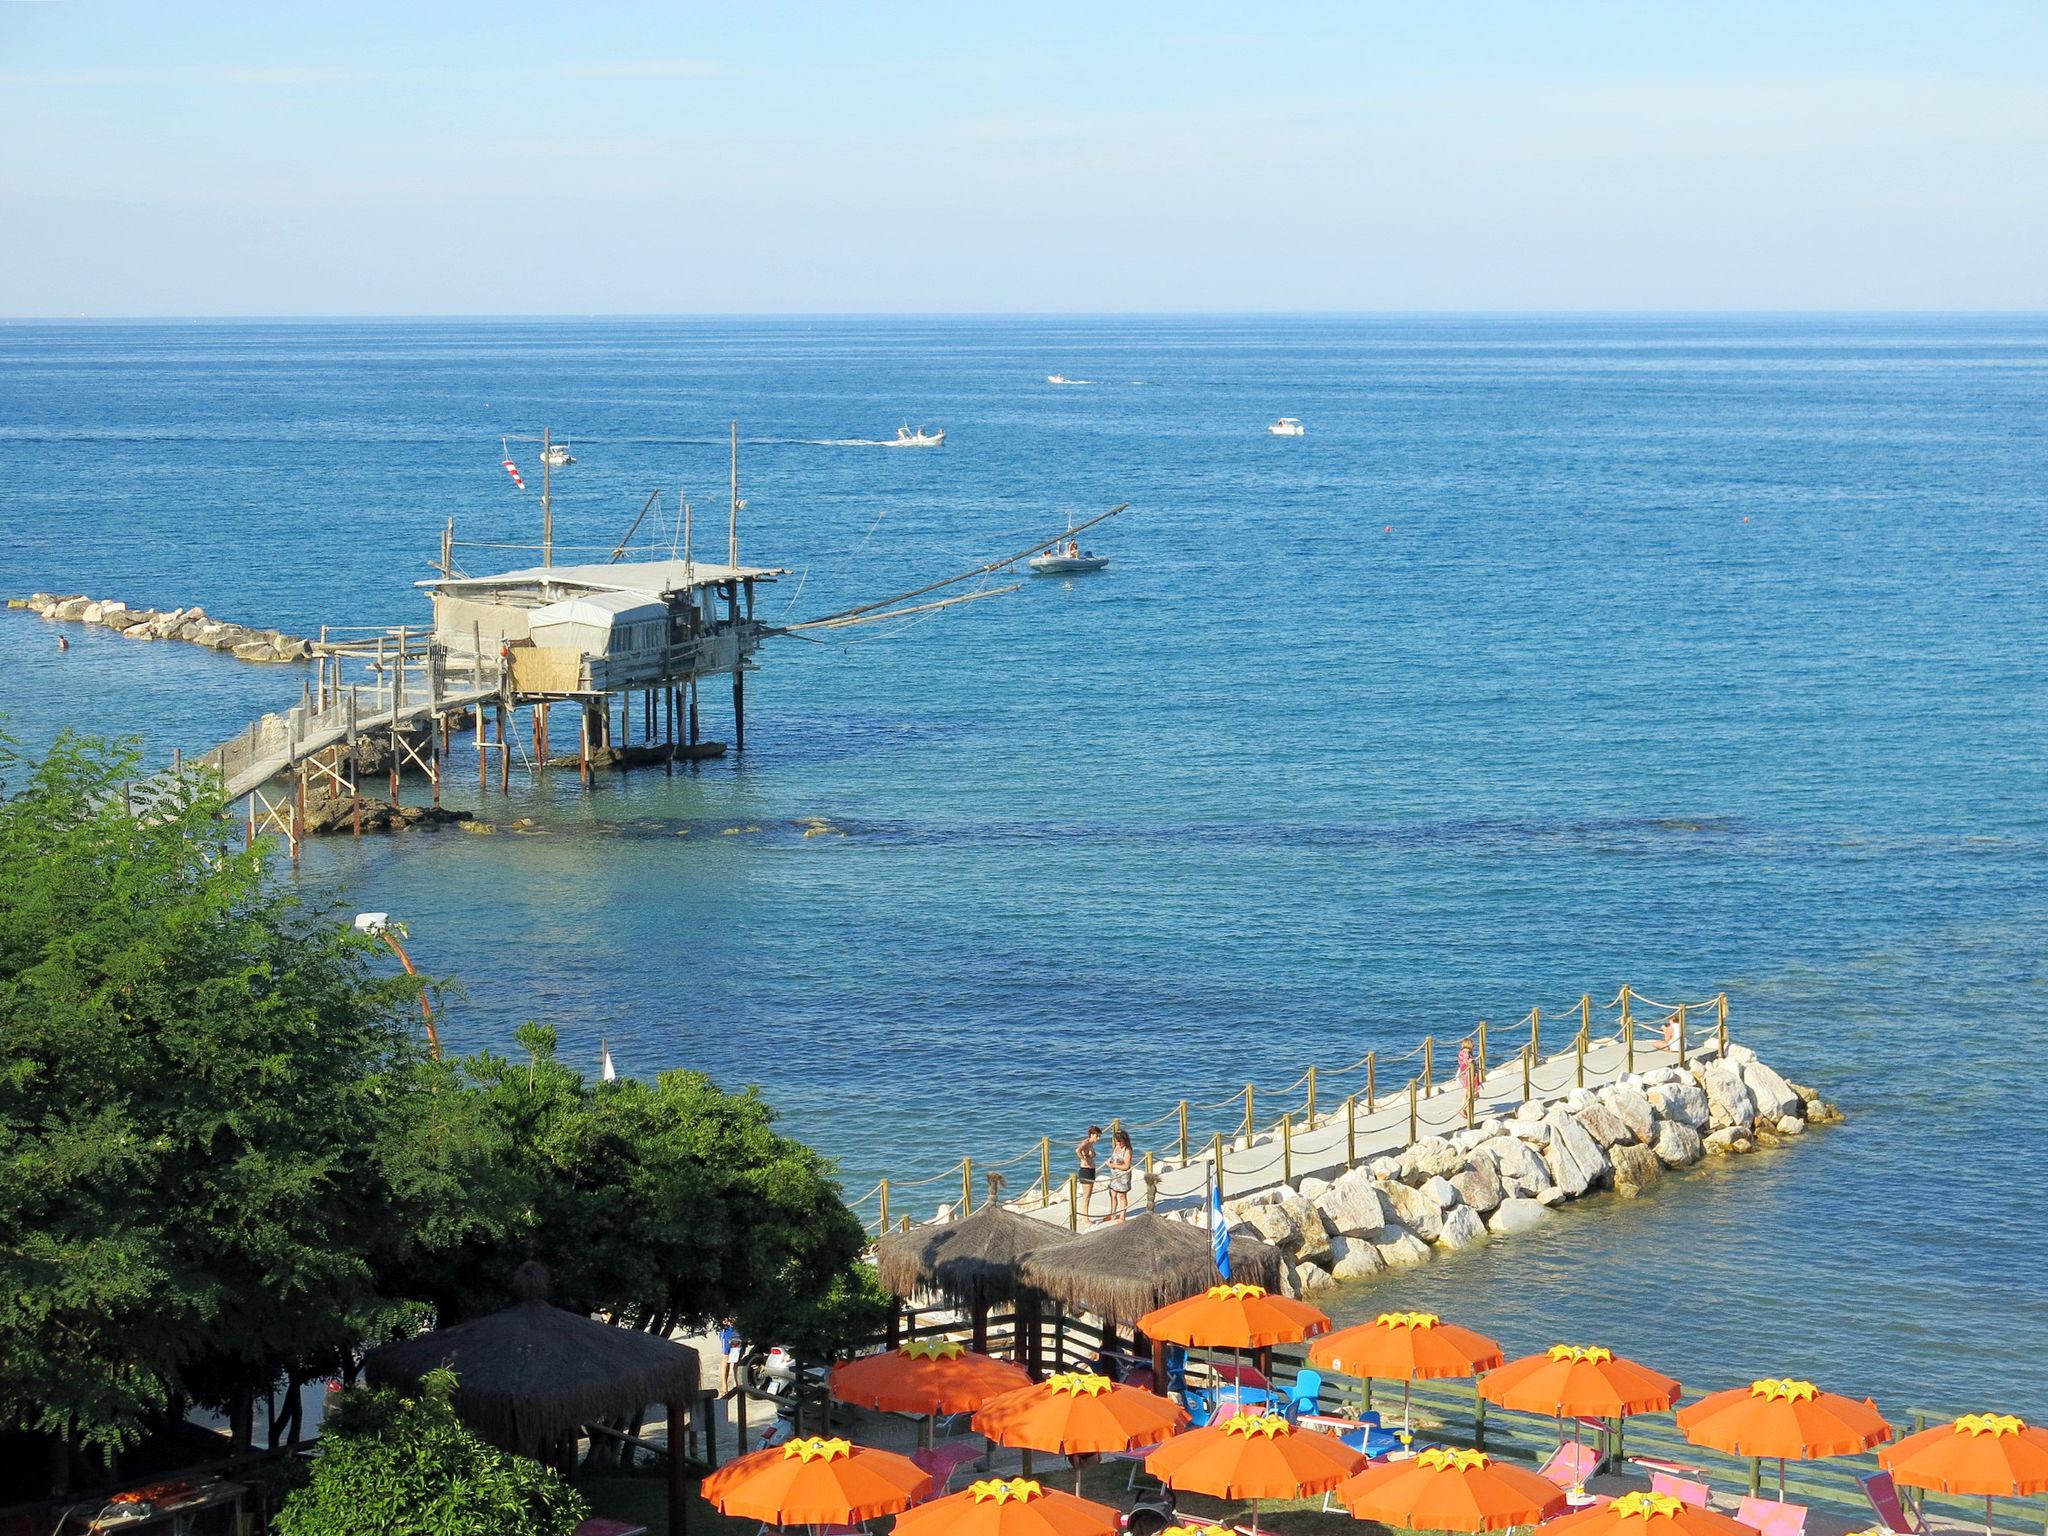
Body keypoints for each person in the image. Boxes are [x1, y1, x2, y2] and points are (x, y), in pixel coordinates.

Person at [1106, 1126, 1134, 1222]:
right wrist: (1109, 1162)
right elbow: (1113, 1157)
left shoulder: (1127, 1150)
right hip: (1114, 1175)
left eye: (1119, 1141)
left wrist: (1113, 1165)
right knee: (1112, 1194)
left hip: (1123, 1176)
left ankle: (1122, 1215)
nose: (1118, 1143)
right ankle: (1112, 1214)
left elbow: (1126, 1166)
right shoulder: (1116, 1147)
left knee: (1122, 1196)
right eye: (1116, 1141)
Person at [1075, 1125, 1101, 1225]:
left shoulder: (1090, 1144)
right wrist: (1084, 1160)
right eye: (1097, 1136)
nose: (1098, 1138)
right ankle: (1085, 1218)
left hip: (1091, 1170)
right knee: (1086, 1196)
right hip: (1085, 1170)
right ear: (1092, 1135)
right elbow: (1077, 1150)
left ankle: (1085, 1216)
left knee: (1089, 1195)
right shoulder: (1086, 1142)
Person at [717, 1317, 741, 1393]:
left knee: (737, 1357)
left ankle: (736, 1383)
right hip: (727, 1330)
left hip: (739, 1328)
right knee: (726, 1357)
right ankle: (724, 1386)